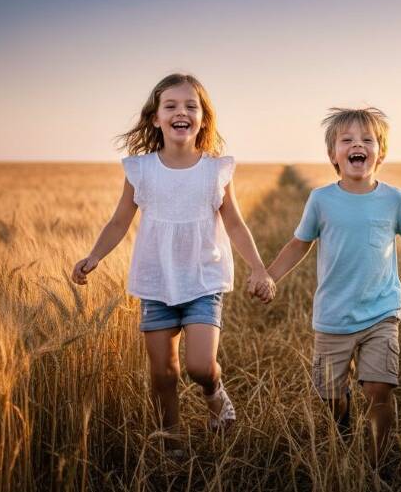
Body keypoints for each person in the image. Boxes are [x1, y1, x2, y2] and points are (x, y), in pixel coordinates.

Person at [71, 73, 275, 450]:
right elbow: (119, 220)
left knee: (200, 366)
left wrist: (259, 268)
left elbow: (234, 221)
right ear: (156, 118)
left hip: (202, 280)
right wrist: (94, 256)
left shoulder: (216, 169)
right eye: (171, 106)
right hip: (155, 281)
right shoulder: (141, 169)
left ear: (203, 118)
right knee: (163, 374)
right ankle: (173, 440)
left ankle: (215, 393)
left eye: (191, 106)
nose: (181, 112)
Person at [259, 107, 401, 465]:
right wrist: (270, 275)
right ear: (333, 155)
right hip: (333, 315)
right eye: (346, 140)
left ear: (381, 153)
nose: (356, 145)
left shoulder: (394, 199)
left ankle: (378, 462)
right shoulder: (321, 200)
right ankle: (343, 424)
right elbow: (299, 243)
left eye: (367, 140)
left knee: (380, 389)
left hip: (382, 311)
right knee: (330, 396)